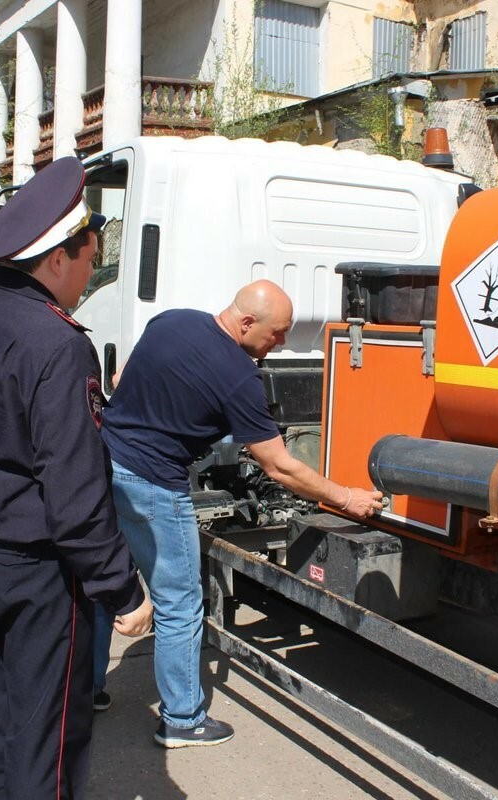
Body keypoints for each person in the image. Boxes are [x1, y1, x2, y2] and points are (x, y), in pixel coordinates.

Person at [0, 156, 153, 800]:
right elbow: (75, 493)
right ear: (56, 258)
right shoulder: (55, 343)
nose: (89, 275)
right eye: (88, 259)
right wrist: (122, 590)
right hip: (35, 571)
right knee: (45, 739)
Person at [102, 280, 384, 749]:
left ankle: (90, 690)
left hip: (105, 463)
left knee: (105, 580)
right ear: (247, 322)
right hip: (152, 484)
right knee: (179, 602)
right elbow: (279, 465)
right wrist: (346, 498)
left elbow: (120, 378)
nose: (282, 344)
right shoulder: (237, 375)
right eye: (277, 334)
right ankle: (182, 719)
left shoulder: (174, 319)